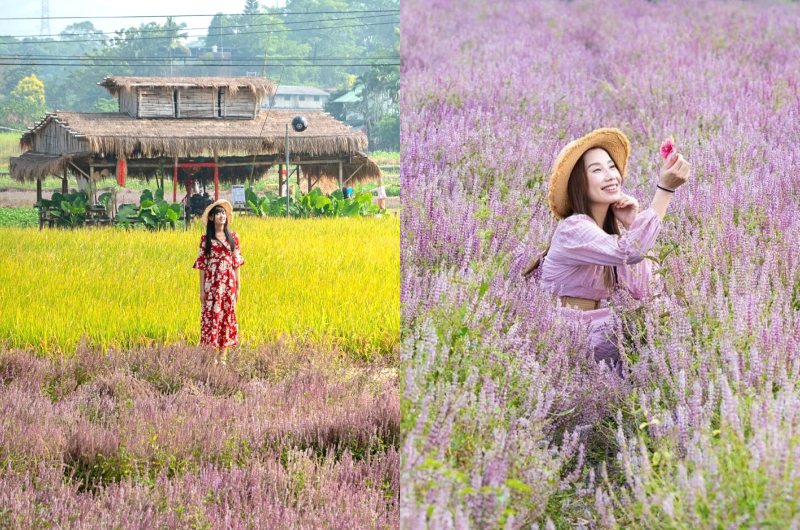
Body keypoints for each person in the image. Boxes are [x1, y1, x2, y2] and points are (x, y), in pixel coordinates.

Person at [522, 128, 691, 377]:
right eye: (597, 170)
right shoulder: (573, 228)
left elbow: (646, 291)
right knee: (653, 324)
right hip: (569, 333)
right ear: (579, 183)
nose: (611, 175)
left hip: (601, 330)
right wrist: (664, 191)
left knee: (663, 314)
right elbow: (630, 253)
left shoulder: (609, 238)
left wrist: (632, 224)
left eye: (612, 167)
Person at [192, 199, 245, 365]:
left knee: (227, 316)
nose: (222, 216)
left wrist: (238, 286)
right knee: (212, 315)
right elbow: (202, 265)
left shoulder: (233, 237)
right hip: (212, 283)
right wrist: (201, 290)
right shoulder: (205, 239)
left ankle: (223, 355)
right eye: (218, 214)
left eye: (223, 213)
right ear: (211, 218)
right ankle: (211, 355)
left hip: (228, 282)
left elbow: (236, 262)